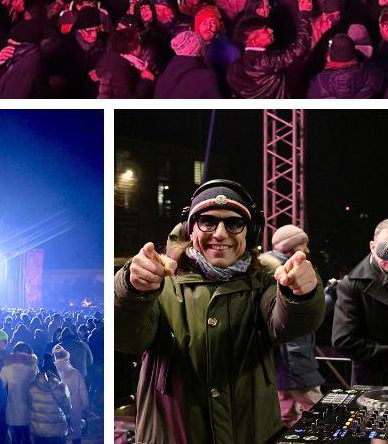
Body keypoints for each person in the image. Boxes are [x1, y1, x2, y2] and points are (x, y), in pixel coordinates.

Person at [115, 179, 324, 443]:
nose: (220, 233)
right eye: (208, 221)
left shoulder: (266, 282)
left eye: (234, 223)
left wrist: (302, 293)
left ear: (249, 232)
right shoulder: (161, 281)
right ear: (191, 230)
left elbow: (290, 324)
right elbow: (126, 338)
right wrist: (132, 292)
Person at [332, 219, 388, 387]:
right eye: (385, 251)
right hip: (373, 383)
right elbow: (343, 341)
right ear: (373, 247)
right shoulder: (351, 285)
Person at [261, 225, 325, 427]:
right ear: (291, 249)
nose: (307, 251)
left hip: (282, 363)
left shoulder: (264, 270)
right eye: (303, 246)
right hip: (293, 360)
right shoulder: (283, 273)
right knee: (320, 412)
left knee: (285, 414)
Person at [0, 343, 38, 444]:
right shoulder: (32, 368)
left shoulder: (7, 368)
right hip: (30, 407)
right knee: (28, 438)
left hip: (13, 408)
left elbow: (0, 386)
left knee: (15, 439)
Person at [51, 347, 85, 444]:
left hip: (58, 406)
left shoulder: (51, 372)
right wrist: (85, 403)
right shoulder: (75, 372)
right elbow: (82, 390)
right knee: (76, 429)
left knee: (61, 430)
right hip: (74, 404)